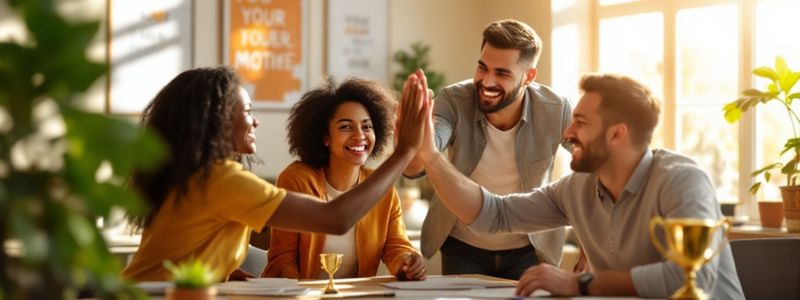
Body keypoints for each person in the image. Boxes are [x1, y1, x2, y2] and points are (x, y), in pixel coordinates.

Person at [409, 72, 744, 298]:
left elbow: (692, 280)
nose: (567, 134)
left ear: (617, 134)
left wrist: (579, 282)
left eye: (580, 123)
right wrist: (430, 156)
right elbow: (494, 214)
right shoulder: (576, 189)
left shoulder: (682, 180)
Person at [121, 67, 430, 281]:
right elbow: (335, 219)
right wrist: (404, 151)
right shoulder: (220, 180)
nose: (255, 122)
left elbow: (185, 248)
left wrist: (225, 273)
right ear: (217, 120)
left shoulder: (197, 176)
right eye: (247, 112)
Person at [402, 19, 572, 279]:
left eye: (502, 73)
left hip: (529, 249)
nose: (487, 81)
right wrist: (412, 140)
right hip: (463, 247)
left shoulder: (555, 109)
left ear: (528, 76)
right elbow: (419, 163)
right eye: (482, 67)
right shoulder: (454, 100)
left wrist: (593, 246)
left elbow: (597, 166)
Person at [262, 78, 426, 281]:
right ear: (325, 138)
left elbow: (396, 246)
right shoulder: (296, 180)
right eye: (346, 127)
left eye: (367, 127)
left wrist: (408, 261)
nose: (360, 136)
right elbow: (282, 260)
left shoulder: (380, 186)